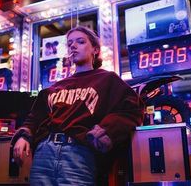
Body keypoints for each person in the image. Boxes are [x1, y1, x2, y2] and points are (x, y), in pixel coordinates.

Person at [12, 25, 144, 185]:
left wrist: (104, 132)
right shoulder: (55, 87)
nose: (73, 46)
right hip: (44, 153)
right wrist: (23, 137)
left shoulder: (107, 80)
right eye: (70, 44)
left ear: (95, 49)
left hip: (79, 153)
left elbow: (131, 109)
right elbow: (35, 117)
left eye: (80, 42)